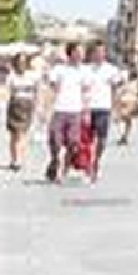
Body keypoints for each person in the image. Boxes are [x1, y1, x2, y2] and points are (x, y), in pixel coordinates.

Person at [46, 43, 88, 185]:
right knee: (56, 142)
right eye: (78, 52)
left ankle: (64, 170)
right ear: (71, 53)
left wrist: (86, 111)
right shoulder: (59, 70)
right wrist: (46, 108)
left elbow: (86, 92)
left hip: (75, 110)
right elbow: (51, 89)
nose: (81, 55)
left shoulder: (84, 71)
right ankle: (55, 162)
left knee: (73, 143)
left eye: (82, 52)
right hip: (59, 109)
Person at [81, 43, 122, 183]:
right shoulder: (85, 69)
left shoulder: (111, 70)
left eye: (102, 52)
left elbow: (115, 90)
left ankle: (96, 161)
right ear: (92, 54)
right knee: (87, 139)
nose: (99, 54)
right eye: (96, 52)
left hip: (104, 108)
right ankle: (88, 163)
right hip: (88, 108)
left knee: (102, 139)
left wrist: (116, 108)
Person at [3, 52, 42, 173]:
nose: (22, 64)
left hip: (27, 105)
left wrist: (38, 105)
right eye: (20, 62)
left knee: (23, 133)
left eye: (24, 62)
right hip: (15, 105)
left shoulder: (33, 76)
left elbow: (37, 91)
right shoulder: (12, 76)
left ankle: (19, 159)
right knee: (15, 134)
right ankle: (15, 159)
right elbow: (7, 92)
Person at [115, 64, 138, 147]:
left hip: (132, 101)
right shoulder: (124, 81)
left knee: (128, 120)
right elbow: (119, 89)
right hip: (123, 101)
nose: (132, 72)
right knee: (121, 120)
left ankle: (125, 136)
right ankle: (122, 135)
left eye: (134, 71)